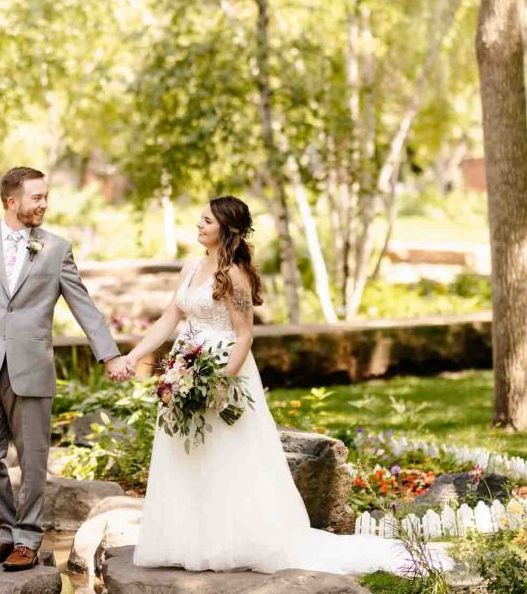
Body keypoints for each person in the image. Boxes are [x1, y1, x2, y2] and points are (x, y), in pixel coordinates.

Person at [120, 196, 452, 576]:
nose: (198, 225)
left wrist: (221, 382)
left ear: (226, 230)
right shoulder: (191, 267)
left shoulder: (234, 276)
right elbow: (169, 318)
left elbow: (244, 335)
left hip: (222, 368)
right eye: (200, 218)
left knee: (226, 456)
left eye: (207, 221)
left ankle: (228, 542)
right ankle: (185, 540)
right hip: (185, 367)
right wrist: (134, 357)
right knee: (186, 451)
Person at [0, 166, 132, 573]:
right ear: (11, 202)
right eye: (37, 198)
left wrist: (109, 354)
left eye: (46, 197)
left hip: (32, 368)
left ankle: (28, 539)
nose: (45, 204)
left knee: (32, 460)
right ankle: (2, 534)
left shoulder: (55, 247)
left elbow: (82, 304)